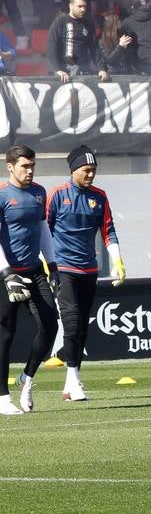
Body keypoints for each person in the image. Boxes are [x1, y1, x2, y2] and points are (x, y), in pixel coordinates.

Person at [44, 145, 125, 401]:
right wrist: (47, 264)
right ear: (74, 170)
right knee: (71, 322)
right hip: (64, 268)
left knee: (81, 328)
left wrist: (117, 260)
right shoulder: (57, 194)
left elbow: (108, 230)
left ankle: (72, 382)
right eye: (86, 170)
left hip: (89, 270)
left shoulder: (99, 197)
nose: (91, 175)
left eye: (94, 170)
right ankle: (73, 380)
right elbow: (43, 229)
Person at [0, 146, 57, 415]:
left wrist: (53, 264)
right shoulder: (1, 195)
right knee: (5, 334)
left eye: (33, 165)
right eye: (24, 165)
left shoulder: (39, 192)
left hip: (35, 271)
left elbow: (43, 229)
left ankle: (27, 379)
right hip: (7, 274)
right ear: (10, 166)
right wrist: (6, 273)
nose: (30, 170)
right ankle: (2, 398)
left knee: (50, 326)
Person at [47, 0, 108, 82]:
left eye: (84, 7)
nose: (83, 9)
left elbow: (95, 49)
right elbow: (51, 47)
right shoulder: (60, 21)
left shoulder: (88, 24)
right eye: (80, 6)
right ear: (71, 6)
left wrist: (101, 69)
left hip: (84, 69)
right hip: (65, 70)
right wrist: (58, 69)